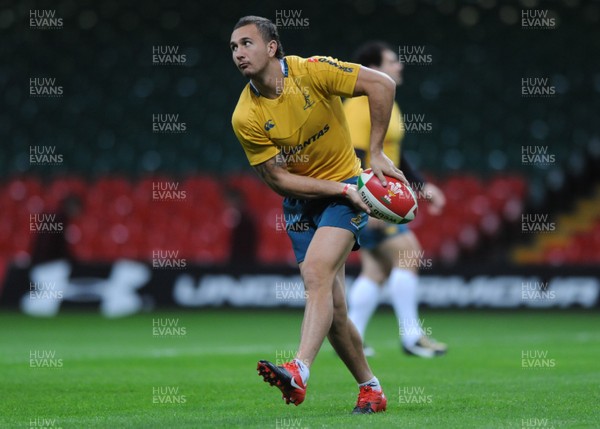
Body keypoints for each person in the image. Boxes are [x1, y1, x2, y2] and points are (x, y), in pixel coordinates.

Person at [230, 16, 406, 414]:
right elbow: (278, 179)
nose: (239, 53)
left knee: (315, 274)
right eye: (234, 48)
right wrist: (340, 189)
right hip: (306, 199)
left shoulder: (313, 71)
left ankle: (299, 371)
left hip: (346, 190)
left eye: (247, 44)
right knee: (336, 311)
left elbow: (382, 84)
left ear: (272, 47)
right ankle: (371, 389)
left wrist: (374, 152)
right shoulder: (245, 116)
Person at [344, 41, 448, 358]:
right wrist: (369, 202)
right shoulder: (360, 106)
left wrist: (422, 186)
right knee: (409, 255)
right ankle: (411, 336)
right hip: (371, 198)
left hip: (380, 196)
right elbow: (358, 156)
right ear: (373, 70)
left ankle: (352, 338)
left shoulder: (386, 101)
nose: (399, 66)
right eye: (392, 61)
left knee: (375, 269)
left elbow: (394, 155)